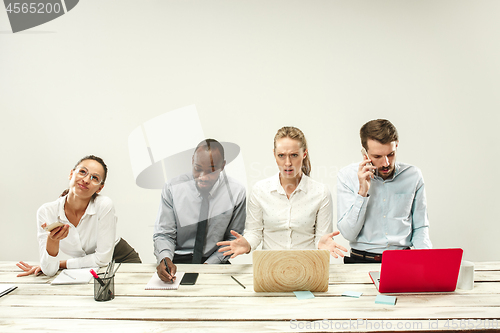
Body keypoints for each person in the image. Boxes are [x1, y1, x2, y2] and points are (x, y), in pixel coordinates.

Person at [217, 126, 347, 259]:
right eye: (281, 156)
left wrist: (322, 243)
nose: (288, 163)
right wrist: (248, 244)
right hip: (270, 266)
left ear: (304, 154)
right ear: (274, 154)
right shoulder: (260, 190)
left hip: (306, 267)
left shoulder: (321, 192)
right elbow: (254, 233)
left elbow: (322, 237)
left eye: (294, 155)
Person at [17, 155, 141, 277]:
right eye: (82, 172)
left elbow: (103, 259)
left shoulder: (104, 205)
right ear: (71, 174)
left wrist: (59, 264)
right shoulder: (46, 212)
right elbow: (49, 270)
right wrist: (52, 241)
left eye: (95, 178)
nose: (86, 180)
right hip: (89, 269)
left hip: (121, 260)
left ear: (100, 188)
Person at [337, 119, 432, 264]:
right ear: (365, 153)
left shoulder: (413, 176)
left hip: (403, 261)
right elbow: (349, 234)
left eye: (391, 154)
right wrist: (362, 192)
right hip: (361, 261)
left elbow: (420, 227)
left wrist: (426, 262)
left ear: (397, 145)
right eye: (377, 157)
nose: (386, 163)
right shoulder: (347, 176)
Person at [153, 139, 246, 282]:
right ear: (192, 161)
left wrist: (209, 265)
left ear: (223, 166)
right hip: (177, 261)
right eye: (198, 168)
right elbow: (164, 234)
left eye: (211, 171)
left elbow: (233, 240)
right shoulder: (173, 188)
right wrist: (164, 259)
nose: (203, 176)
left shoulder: (236, 192)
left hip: (215, 261)